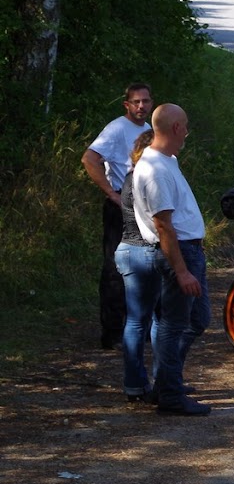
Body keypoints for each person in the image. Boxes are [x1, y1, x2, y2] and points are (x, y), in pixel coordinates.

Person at [133, 104, 211, 416]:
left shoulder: (167, 160)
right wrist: (181, 271)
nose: (188, 131)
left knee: (197, 319)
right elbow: (162, 225)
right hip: (181, 253)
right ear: (177, 128)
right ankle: (169, 393)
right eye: (186, 125)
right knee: (175, 324)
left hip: (191, 250)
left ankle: (166, 380)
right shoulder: (155, 171)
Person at [81, 83, 154, 349]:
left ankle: (139, 327)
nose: (141, 107)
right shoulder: (116, 129)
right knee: (114, 268)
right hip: (119, 206)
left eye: (145, 101)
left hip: (142, 207)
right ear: (127, 104)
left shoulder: (148, 131)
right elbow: (89, 159)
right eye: (136, 102)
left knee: (145, 265)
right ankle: (111, 332)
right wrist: (112, 193)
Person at [115, 130, 161, 403]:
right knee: (152, 320)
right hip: (143, 251)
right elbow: (160, 221)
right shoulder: (146, 177)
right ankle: (156, 381)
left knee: (138, 320)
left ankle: (138, 383)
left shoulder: (130, 177)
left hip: (127, 250)